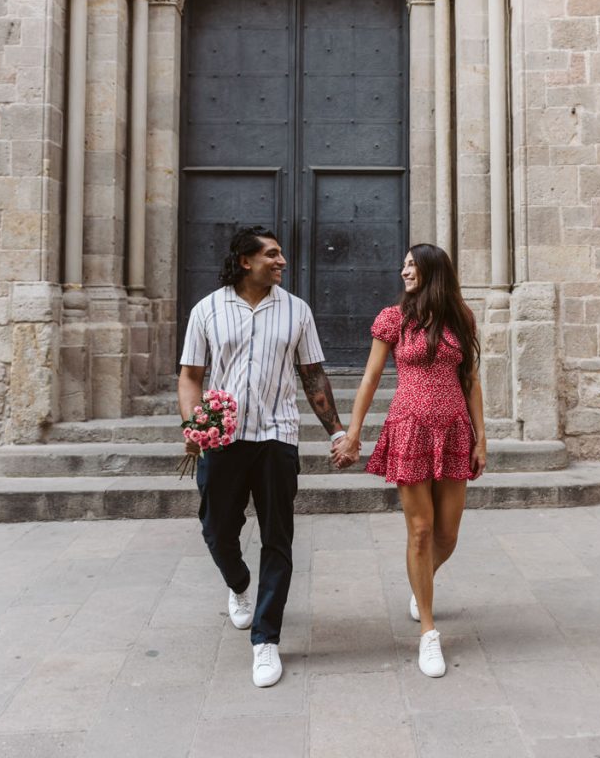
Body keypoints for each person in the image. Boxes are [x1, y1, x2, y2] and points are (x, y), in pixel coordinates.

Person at [178, 226, 357, 688]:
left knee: (278, 536)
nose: (281, 262)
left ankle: (266, 640)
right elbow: (191, 375)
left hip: (278, 435)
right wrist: (194, 425)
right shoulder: (207, 310)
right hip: (223, 437)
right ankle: (238, 583)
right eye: (272, 255)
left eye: (280, 255)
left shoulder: (296, 310)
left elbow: (313, 375)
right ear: (245, 260)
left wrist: (336, 429)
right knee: (216, 528)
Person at [332, 244, 486, 678]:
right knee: (420, 530)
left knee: (448, 535)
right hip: (409, 428)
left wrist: (481, 438)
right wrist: (353, 432)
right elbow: (371, 376)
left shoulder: (462, 317)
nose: (403, 271)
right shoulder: (393, 318)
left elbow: (470, 378)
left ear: (433, 271)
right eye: (402, 264)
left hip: (454, 428)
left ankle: (421, 585)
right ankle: (429, 634)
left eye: (412, 265)